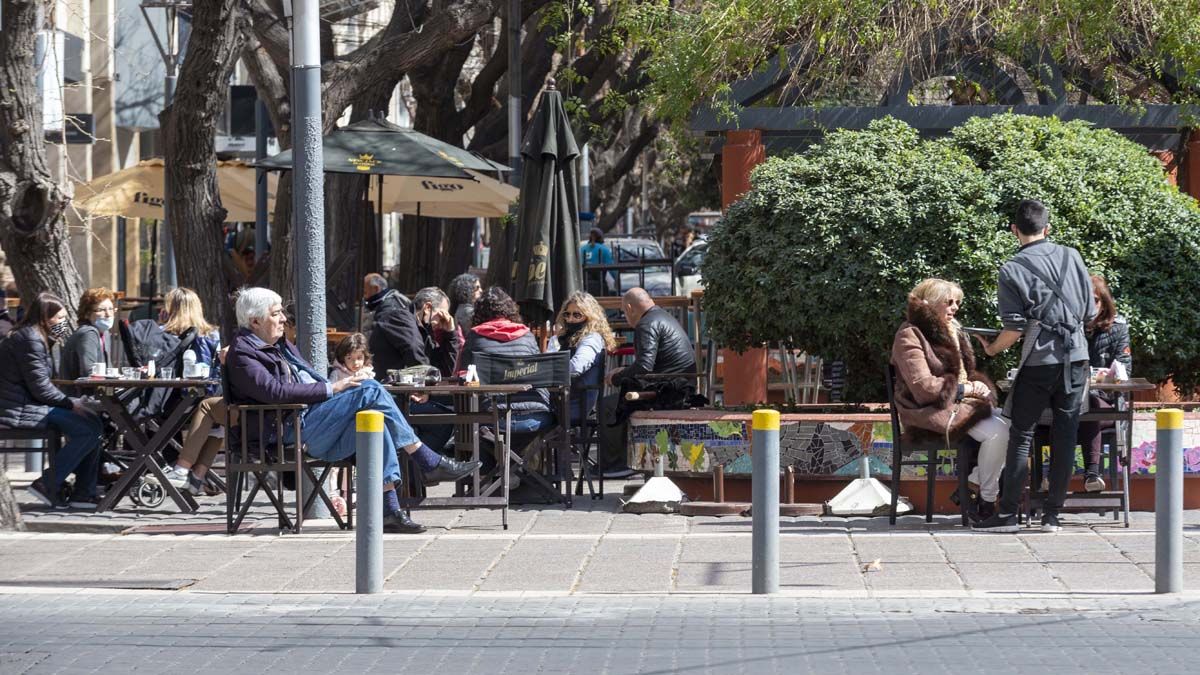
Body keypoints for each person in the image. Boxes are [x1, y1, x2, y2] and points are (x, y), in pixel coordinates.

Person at [226, 287, 478, 533]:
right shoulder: (243, 353)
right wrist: (332, 389)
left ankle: (389, 511)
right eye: (275, 313)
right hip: (289, 429)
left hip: (313, 420)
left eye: (282, 312)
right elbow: (274, 393)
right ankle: (426, 459)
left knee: (375, 422)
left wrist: (334, 390)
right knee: (370, 388)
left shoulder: (280, 345)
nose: (283, 319)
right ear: (255, 321)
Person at [973, 199, 1097, 533]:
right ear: (1048, 228)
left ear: (1014, 230)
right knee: (1065, 434)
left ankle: (1009, 514)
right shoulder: (1072, 256)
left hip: (1039, 361)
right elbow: (1090, 313)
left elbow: (1014, 328)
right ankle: (1052, 516)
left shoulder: (1011, 268)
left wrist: (993, 348)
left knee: (1021, 434)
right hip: (1076, 359)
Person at [891, 279, 1009, 522]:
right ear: (930, 303)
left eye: (957, 302)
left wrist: (979, 386)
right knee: (998, 431)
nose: (955, 307)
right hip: (927, 411)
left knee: (1018, 425)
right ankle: (987, 502)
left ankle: (972, 485)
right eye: (949, 302)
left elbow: (965, 374)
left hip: (959, 405)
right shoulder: (909, 335)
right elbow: (923, 387)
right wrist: (967, 389)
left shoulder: (954, 330)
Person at [0, 292, 104, 508]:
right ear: (44, 318)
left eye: (65, 318)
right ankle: (48, 484)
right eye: (59, 319)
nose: (63, 323)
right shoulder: (30, 339)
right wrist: (71, 403)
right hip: (20, 409)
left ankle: (83, 493)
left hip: (31, 404)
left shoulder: (37, 338)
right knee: (89, 429)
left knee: (93, 423)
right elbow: (41, 388)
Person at [599, 287, 697, 478]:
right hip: (679, 388)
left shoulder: (646, 324)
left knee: (608, 406)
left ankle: (616, 466)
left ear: (629, 307)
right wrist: (624, 371)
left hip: (665, 393)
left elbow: (644, 367)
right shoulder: (662, 316)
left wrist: (617, 377)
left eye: (624, 312)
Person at [458, 287, 554, 434]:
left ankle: (490, 457)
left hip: (492, 416)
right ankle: (519, 458)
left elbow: (464, 375)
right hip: (536, 414)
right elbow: (538, 372)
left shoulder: (475, 336)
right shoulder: (527, 335)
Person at [162, 287, 226, 496]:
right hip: (209, 397)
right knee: (218, 424)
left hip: (175, 403)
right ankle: (197, 476)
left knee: (154, 421)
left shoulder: (168, 335)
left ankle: (178, 469)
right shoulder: (212, 334)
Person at [1076, 274, 1132, 493]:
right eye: (1084, 300)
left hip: (1107, 403)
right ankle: (1047, 481)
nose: (1090, 306)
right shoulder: (1070, 328)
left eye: (1095, 300)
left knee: (1091, 403)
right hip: (1070, 405)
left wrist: (1103, 377)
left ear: (1104, 302)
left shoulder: (1118, 329)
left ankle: (1092, 473)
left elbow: (1124, 370)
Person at [552, 291, 616, 423]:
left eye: (577, 315)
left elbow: (576, 367)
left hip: (576, 404)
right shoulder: (567, 338)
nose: (570, 319)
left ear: (589, 317)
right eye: (567, 314)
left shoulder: (591, 338)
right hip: (565, 399)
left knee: (531, 406)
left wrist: (548, 371)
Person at [59, 287, 117, 381]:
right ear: (87, 314)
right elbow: (89, 372)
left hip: (100, 390)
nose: (108, 314)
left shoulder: (104, 333)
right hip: (80, 393)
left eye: (111, 309)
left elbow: (108, 369)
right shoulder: (88, 333)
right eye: (101, 310)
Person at [579, 227, 614, 295]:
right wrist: (616, 281)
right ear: (601, 237)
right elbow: (612, 268)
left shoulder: (582, 249)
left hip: (583, 287)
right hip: (599, 285)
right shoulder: (604, 249)